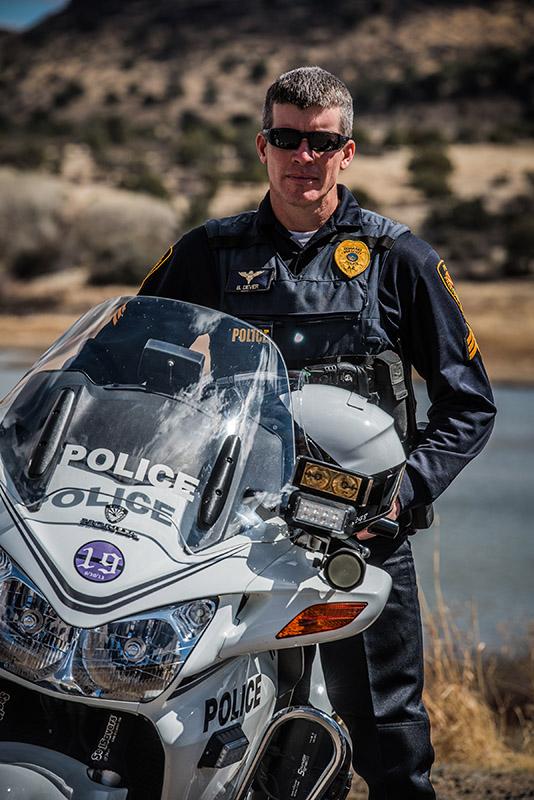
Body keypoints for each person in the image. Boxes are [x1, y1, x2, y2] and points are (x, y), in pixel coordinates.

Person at [138, 66, 496, 798]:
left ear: (347, 152)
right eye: (287, 138)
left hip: (359, 541)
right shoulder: (208, 253)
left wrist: (403, 494)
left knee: (389, 739)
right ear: (262, 147)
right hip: (225, 541)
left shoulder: (401, 260)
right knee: (218, 737)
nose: (304, 156)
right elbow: (135, 371)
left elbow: (469, 404)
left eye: (321, 142)